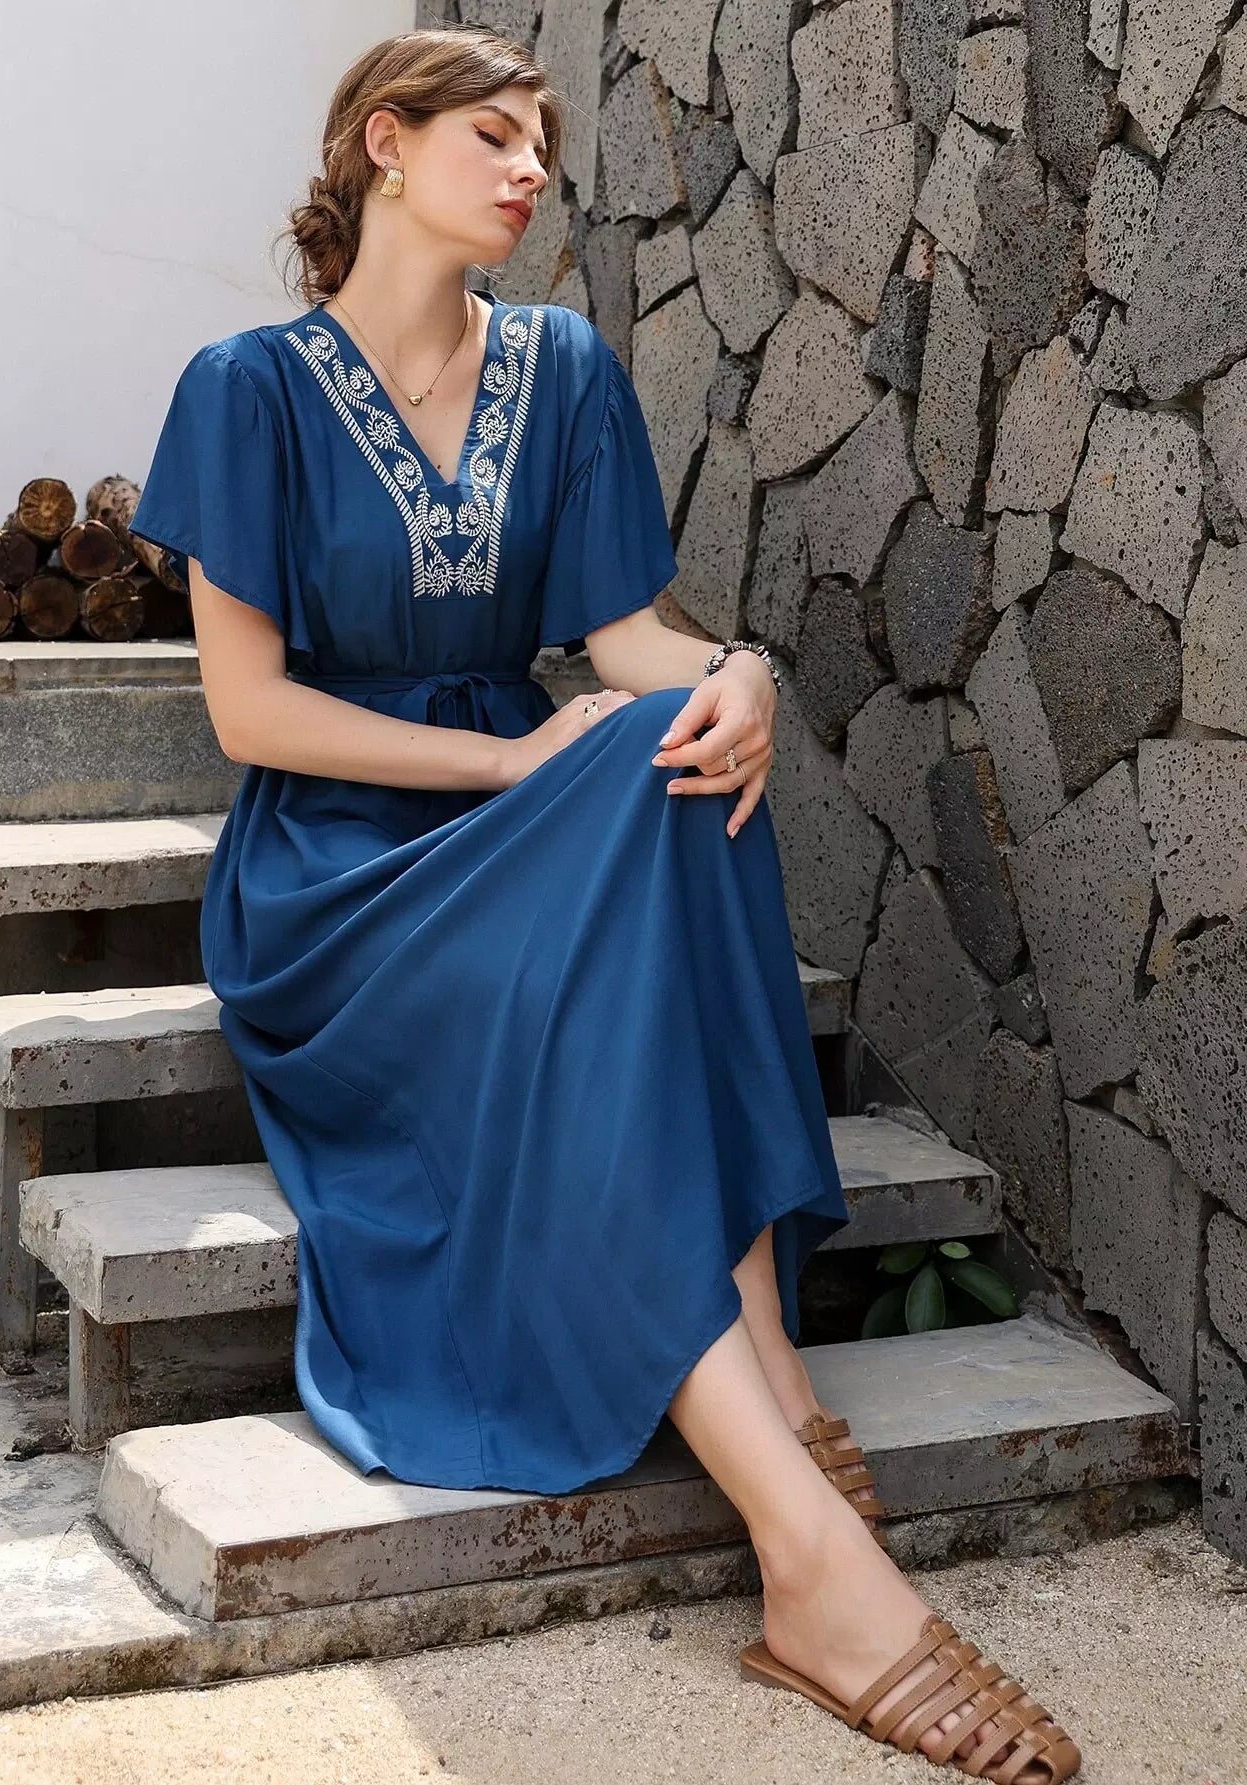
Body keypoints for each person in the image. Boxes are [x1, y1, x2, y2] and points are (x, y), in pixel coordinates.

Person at [126, 24, 1080, 1783]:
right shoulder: (246, 388)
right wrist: (514, 764)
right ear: (385, 144)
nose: (531, 172)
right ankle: (796, 1502)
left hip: (541, 819)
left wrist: (742, 672)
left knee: (680, 746)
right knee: (618, 797)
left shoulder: (563, 369)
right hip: (338, 873)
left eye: (542, 146)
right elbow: (249, 715)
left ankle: (776, 1410)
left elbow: (628, 638)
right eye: (494, 136)